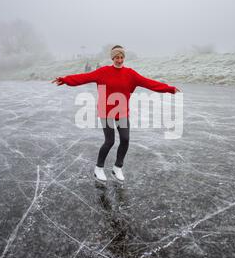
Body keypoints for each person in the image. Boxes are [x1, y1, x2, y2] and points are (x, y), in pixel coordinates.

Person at [52, 45, 181, 183]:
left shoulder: (130, 74)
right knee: (110, 141)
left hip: (122, 111)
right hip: (105, 111)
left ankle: (117, 167)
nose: (119, 60)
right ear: (112, 58)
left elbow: (149, 83)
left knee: (125, 139)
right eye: (116, 57)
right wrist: (65, 80)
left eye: (121, 57)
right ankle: (99, 168)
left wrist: (169, 89)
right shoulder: (103, 72)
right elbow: (84, 77)